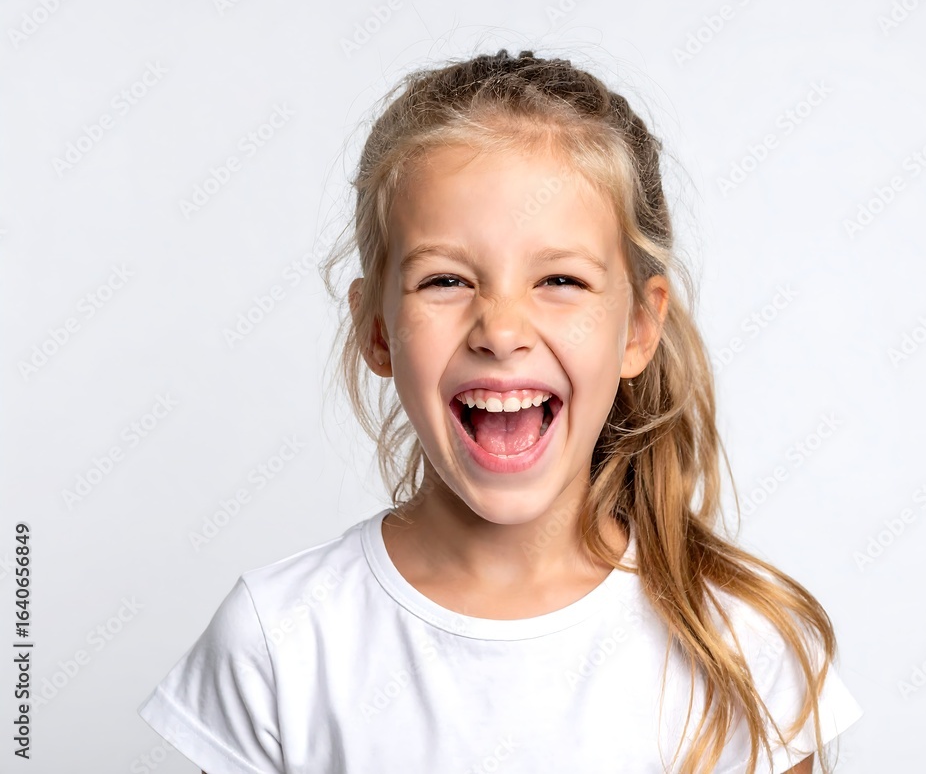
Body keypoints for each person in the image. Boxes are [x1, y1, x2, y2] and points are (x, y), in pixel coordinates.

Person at [137, 48, 863, 773]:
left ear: (639, 329)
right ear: (377, 330)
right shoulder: (279, 642)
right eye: (446, 280)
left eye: (560, 280)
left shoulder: (744, 646)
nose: (501, 330)